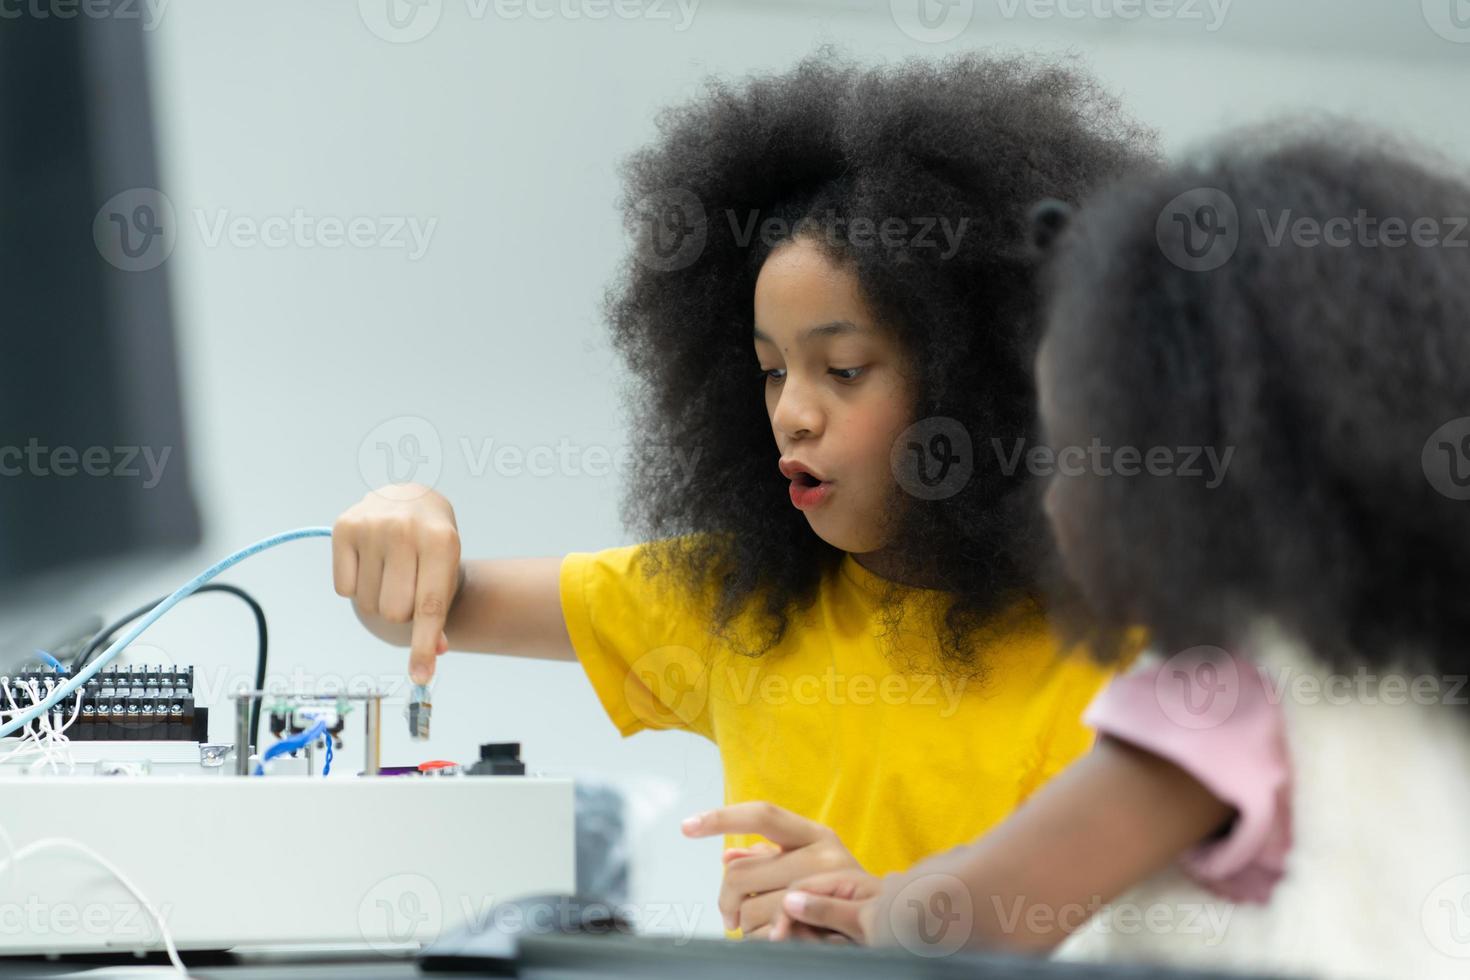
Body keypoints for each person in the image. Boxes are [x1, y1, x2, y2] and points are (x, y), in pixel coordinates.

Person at [333, 52, 1153, 937]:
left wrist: (874, 918)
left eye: (842, 370)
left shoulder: (1132, 651)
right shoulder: (736, 605)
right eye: (769, 372)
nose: (791, 414)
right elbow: (420, 612)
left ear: (982, 383)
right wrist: (407, 520)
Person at [770, 123, 1470, 978]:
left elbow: (972, 916)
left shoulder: (1211, 699)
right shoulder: (1423, 693)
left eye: (1071, 451)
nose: (1050, 494)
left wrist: (863, 905)